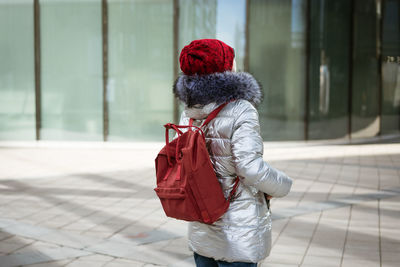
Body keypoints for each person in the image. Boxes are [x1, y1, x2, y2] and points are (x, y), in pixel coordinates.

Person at [173, 39, 293, 267]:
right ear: (224, 67)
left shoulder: (188, 113)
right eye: (231, 58)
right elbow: (249, 168)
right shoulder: (241, 109)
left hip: (203, 226)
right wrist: (283, 185)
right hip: (239, 232)